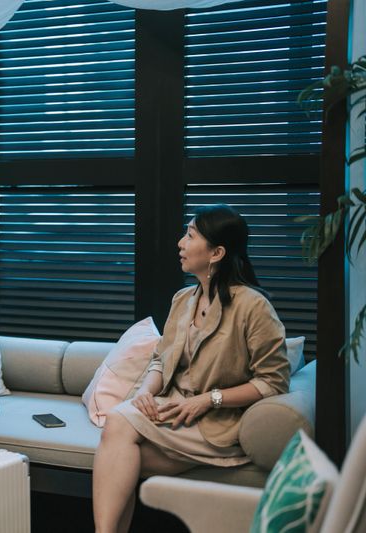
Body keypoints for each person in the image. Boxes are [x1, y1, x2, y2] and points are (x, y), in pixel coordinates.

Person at [92, 204, 291, 533]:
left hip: (216, 420)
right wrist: (143, 393)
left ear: (217, 252)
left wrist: (207, 399)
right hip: (172, 408)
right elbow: (160, 358)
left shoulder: (253, 306)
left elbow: (272, 382)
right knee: (120, 428)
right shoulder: (183, 299)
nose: (180, 243)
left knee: (117, 440)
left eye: (190, 235)